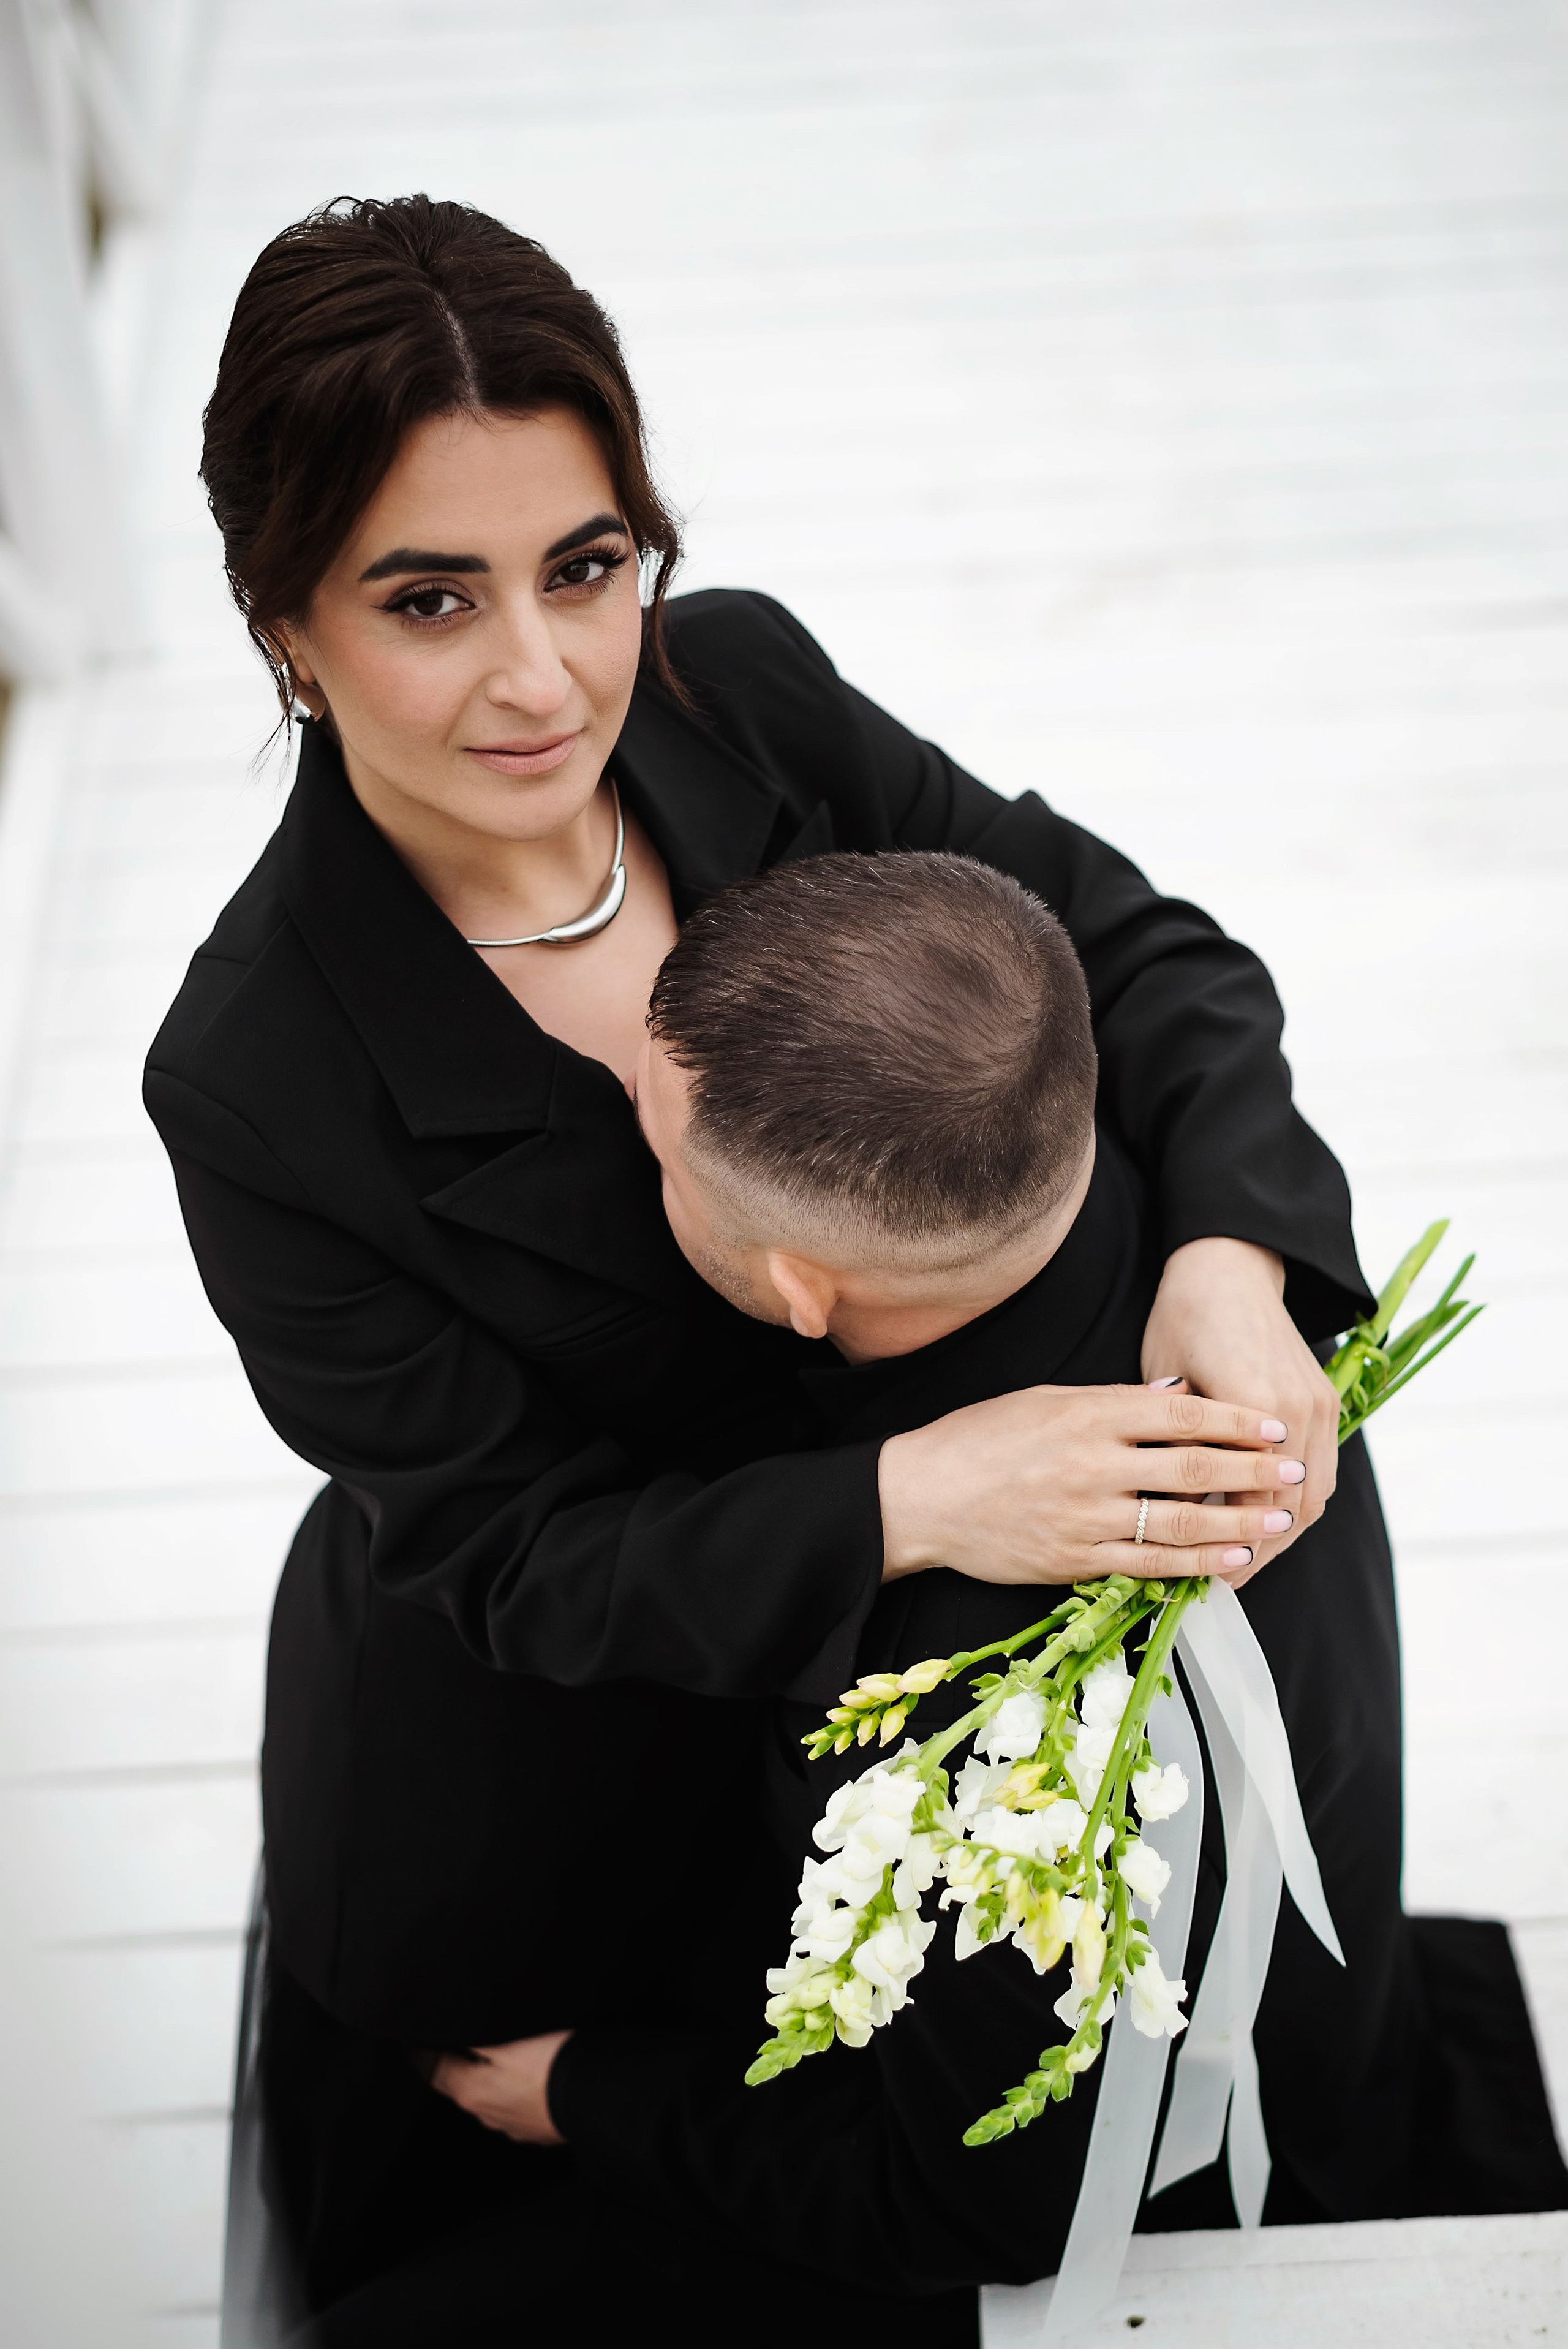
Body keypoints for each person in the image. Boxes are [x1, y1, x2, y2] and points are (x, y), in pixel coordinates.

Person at [147, 193, 1382, 2323]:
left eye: (586, 566)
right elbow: (509, 1560)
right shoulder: (260, 1075)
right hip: (583, 1768)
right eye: (429, 597)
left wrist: (1233, 1257)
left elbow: (1130, 951)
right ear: (286, 625)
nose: (544, 675)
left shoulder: (745, 693)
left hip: (927, 1739)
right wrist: (913, 1496)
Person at [415, 853, 1564, 2340]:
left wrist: (591, 2095)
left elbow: (974, 2208)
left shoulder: (967, 1724)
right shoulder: (1229, 1310)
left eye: (655, 1148)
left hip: (1138, 2150)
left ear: (802, 1288)